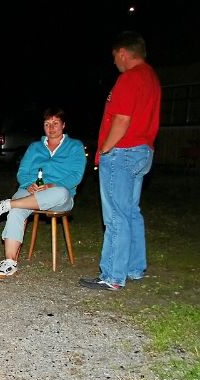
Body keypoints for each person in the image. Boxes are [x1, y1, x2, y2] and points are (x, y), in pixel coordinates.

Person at [80, 31, 161, 291]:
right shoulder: (151, 78)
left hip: (123, 152)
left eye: (115, 57)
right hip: (143, 151)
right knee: (131, 212)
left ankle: (113, 276)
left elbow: (122, 120)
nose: (114, 61)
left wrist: (104, 149)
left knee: (116, 215)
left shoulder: (130, 77)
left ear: (123, 53)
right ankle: (134, 268)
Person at [0, 107, 86, 278]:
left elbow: (76, 176)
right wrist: (29, 184)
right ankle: (9, 262)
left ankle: (8, 204)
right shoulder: (34, 147)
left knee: (60, 192)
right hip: (30, 191)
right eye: (47, 124)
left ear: (63, 125)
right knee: (17, 210)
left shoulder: (75, 147)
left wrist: (52, 185)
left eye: (55, 123)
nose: (51, 127)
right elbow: (22, 172)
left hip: (58, 194)